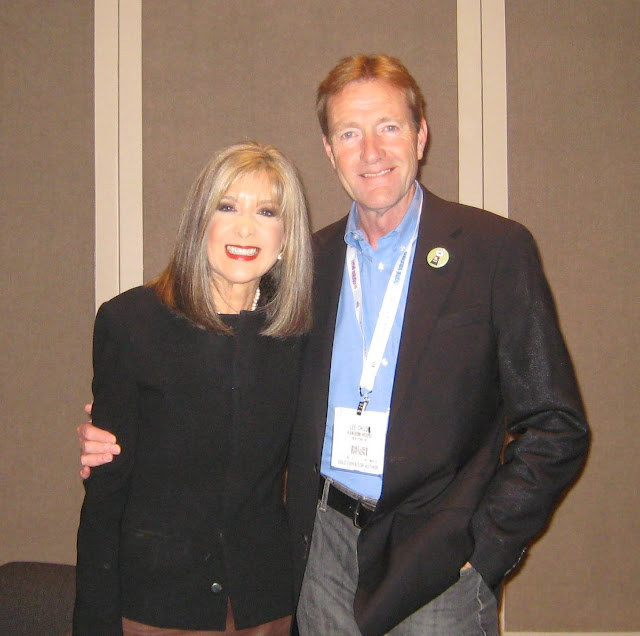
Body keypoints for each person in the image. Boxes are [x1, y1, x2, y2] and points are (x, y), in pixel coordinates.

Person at [80, 55, 590, 636]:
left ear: (421, 135)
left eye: (389, 127)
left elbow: (556, 424)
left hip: (439, 559)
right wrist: (117, 430)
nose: (371, 151)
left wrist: (486, 548)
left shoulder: (493, 250)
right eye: (350, 133)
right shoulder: (309, 268)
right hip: (319, 552)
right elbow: (223, 377)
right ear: (329, 150)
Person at [73, 142, 313, 635]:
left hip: (265, 602)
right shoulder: (130, 322)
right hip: (157, 604)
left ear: (287, 236)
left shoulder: (301, 335)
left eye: (267, 212)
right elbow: (106, 492)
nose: (245, 229)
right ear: (199, 221)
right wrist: (94, 618)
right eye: (227, 207)